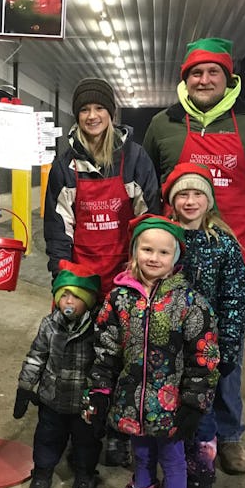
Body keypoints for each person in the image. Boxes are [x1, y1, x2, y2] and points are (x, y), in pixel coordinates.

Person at [142, 37, 245, 475]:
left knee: (226, 354)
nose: (204, 80)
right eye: (196, 72)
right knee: (167, 350)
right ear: (184, 79)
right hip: (172, 265)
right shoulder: (164, 125)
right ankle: (168, 426)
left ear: (229, 78)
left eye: (213, 72)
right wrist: (148, 252)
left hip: (235, 263)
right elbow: (148, 189)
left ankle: (227, 435)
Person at [44, 78, 160, 467]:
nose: (92, 116)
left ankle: (118, 433)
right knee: (80, 361)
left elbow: (149, 222)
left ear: (111, 113)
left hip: (126, 280)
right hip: (82, 281)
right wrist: (63, 281)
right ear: (77, 116)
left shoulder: (136, 159)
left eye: (99, 108)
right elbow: (58, 228)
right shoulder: (65, 165)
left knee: (125, 362)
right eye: (84, 110)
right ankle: (84, 433)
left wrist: (143, 275)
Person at [84, 214, 220, 488]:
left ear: (176, 257)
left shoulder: (189, 303)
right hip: (132, 401)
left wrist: (193, 402)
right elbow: (105, 347)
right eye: (147, 249)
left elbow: (205, 355)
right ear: (134, 252)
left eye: (163, 252)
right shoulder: (119, 298)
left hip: (171, 405)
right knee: (141, 454)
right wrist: (100, 391)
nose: (154, 258)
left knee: (173, 460)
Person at [162, 163, 245, 488]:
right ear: (172, 200)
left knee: (202, 414)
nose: (190, 200)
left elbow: (235, 298)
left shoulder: (224, 244)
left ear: (209, 200)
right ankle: (171, 476)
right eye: (182, 193)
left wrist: (227, 346)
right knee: (166, 410)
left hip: (205, 349)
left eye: (198, 193)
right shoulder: (163, 237)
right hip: (166, 346)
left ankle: (200, 478)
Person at [13, 260, 103, 488]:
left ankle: (85, 473)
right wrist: (25, 386)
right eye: (64, 296)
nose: (69, 302)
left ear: (89, 300)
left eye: (76, 297)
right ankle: (42, 473)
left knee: (86, 441)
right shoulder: (49, 325)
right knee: (46, 438)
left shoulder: (97, 330)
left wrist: (103, 394)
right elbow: (36, 356)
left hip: (85, 403)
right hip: (51, 399)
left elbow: (105, 364)